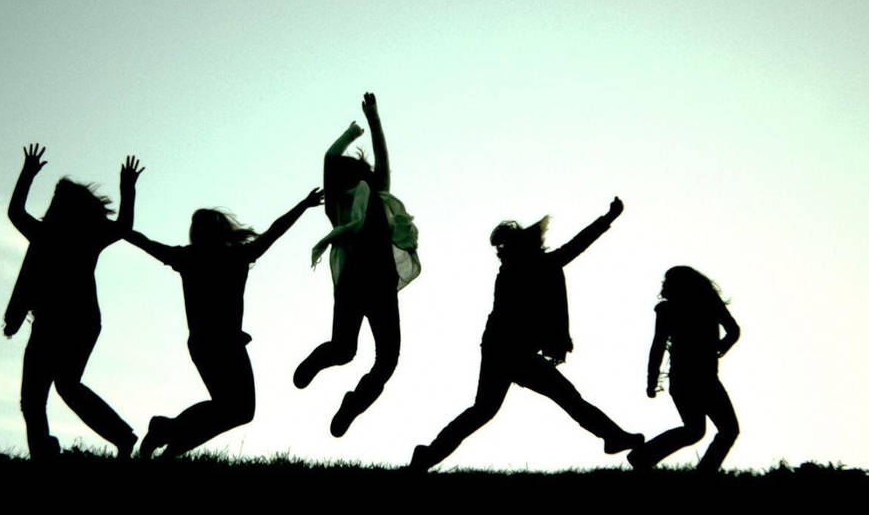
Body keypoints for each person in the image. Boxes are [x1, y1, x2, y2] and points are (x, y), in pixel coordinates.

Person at [409, 199, 643, 472]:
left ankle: (426, 456)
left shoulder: (521, 268)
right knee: (562, 397)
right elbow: (578, 245)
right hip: (511, 352)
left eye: (503, 246)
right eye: (499, 248)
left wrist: (607, 218)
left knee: (485, 410)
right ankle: (612, 436)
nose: (499, 252)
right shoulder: (529, 267)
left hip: (504, 349)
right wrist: (608, 218)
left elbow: (577, 244)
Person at [123, 182, 325, 459]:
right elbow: (274, 231)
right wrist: (303, 205)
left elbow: (141, 240)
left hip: (205, 344)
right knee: (239, 410)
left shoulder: (188, 256)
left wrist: (127, 199)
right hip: (225, 344)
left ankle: (172, 441)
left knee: (231, 409)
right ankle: (166, 431)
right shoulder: (235, 256)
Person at [293, 92, 420, 437]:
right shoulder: (372, 198)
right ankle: (353, 402)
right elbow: (382, 163)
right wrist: (373, 121)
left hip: (353, 284)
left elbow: (330, 158)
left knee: (344, 349)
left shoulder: (336, 205)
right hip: (378, 284)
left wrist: (353, 134)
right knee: (386, 360)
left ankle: (320, 363)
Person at [4, 147, 142, 460]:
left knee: (36, 396)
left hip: (59, 322)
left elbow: (15, 212)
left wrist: (27, 174)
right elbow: (123, 226)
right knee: (63, 386)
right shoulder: (86, 235)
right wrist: (128, 189)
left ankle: (47, 451)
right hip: (81, 321)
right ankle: (118, 437)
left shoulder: (49, 234)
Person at [629, 266, 741, 472]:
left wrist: (651, 381)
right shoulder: (707, 304)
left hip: (683, 379)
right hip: (703, 378)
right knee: (726, 430)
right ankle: (704, 472)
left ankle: (642, 456)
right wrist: (722, 346)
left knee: (695, 430)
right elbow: (733, 330)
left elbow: (658, 347)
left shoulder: (669, 310)